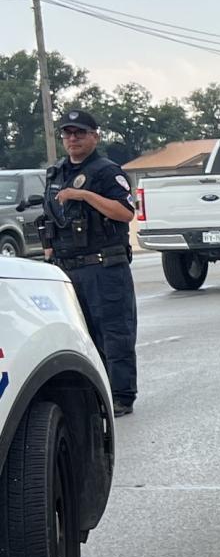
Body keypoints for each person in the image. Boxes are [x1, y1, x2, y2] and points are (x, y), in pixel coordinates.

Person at [39, 109, 137, 416]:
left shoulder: (108, 172)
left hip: (104, 267)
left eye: (79, 133)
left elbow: (125, 212)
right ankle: (93, 395)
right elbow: (52, 218)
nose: (72, 139)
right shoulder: (57, 173)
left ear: (95, 136)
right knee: (80, 337)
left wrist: (84, 195)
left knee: (114, 334)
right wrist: (49, 250)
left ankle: (121, 396)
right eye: (67, 133)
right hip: (68, 268)